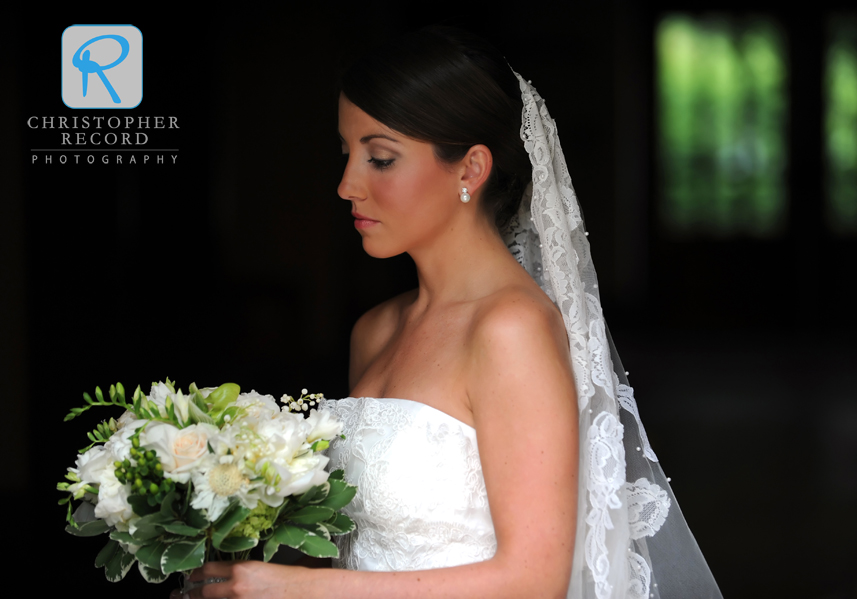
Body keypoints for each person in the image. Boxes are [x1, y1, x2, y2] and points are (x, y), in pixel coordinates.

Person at [183, 26, 722, 599]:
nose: (346, 185)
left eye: (380, 158)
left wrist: (295, 590)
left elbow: (533, 580)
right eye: (347, 154)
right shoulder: (375, 330)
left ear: (469, 170)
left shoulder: (511, 330)